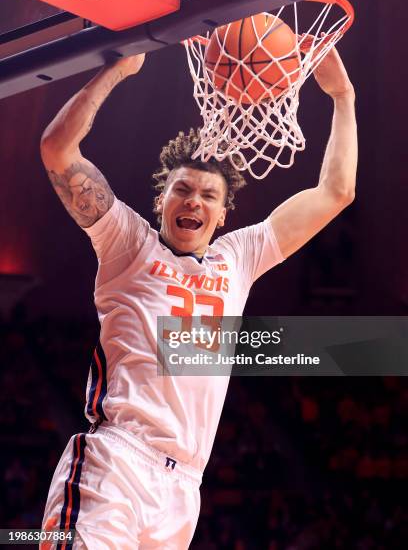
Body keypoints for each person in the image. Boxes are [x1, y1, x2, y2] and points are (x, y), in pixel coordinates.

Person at [40, 47, 357, 548]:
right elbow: (58, 149)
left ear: (224, 214)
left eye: (208, 195)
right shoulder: (129, 242)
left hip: (185, 491)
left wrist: (342, 96)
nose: (193, 200)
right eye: (182, 190)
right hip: (119, 461)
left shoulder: (239, 257)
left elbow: (335, 192)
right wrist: (117, 69)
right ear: (160, 201)